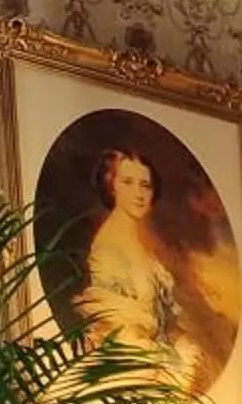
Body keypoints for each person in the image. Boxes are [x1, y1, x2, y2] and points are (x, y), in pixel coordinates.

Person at [76, 149, 189, 387]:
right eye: (128, 182)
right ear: (111, 186)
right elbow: (115, 327)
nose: (139, 194)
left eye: (145, 185)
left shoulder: (139, 243)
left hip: (153, 358)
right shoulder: (107, 247)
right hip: (128, 365)